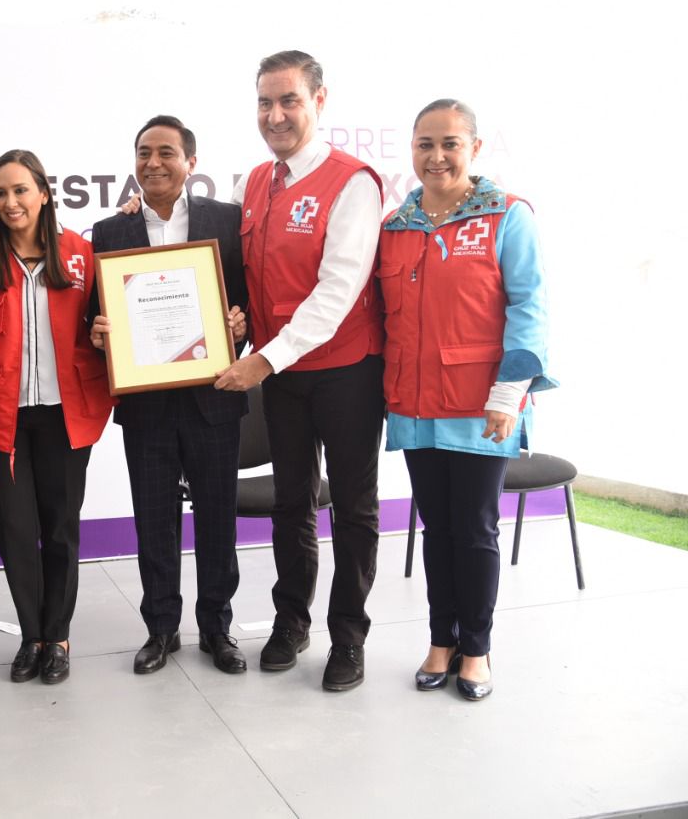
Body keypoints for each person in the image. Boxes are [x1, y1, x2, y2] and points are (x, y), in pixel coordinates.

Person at [215, 50, 385, 691]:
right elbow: (231, 269)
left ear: (319, 100)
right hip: (283, 374)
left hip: (346, 370)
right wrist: (232, 321)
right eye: (265, 102)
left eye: (289, 100)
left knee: (354, 508)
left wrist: (262, 357)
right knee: (292, 502)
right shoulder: (255, 182)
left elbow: (338, 289)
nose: (275, 115)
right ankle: (291, 622)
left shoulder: (352, 182)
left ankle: (349, 636)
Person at [380, 99, 554, 701]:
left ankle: (476, 648)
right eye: (424, 144)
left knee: (475, 529)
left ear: (474, 149)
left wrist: (510, 394)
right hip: (414, 403)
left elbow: (529, 308)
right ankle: (441, 641)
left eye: (450, 143)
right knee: (436, 528)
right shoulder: (396, 226)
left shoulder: (508, 215)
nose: (436, 156)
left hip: (483, 407)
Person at [90, 115, 250, 677]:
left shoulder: (226, 221)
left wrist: (240, 327)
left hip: (214, 394)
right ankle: (161, 628)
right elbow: (96, 315)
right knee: (154, 520)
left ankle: (217, 628)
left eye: (165, 152)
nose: (152, 163)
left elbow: (248, 300)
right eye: (143, 153)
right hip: (147, 403)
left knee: (217, 520)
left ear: (190, 162)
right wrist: (98, 333)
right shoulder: (110, 232)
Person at [0, 150, 114, 685]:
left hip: (66, 413)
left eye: (20, 190)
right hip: (2, 416)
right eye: (0, 193)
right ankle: (29, 635)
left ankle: (57, 636)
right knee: (14, 530)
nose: (10, 202)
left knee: (60, 528)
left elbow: (108, 320)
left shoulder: (80, 253)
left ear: (44, 193)